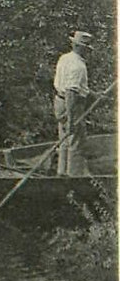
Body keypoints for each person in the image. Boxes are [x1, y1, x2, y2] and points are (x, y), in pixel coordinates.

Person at [53, 30, 94, 177]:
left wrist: (93, 94)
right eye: (86, 48)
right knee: (76, 142)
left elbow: (67, 86)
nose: (88, 52)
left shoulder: (65, 58)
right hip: (72, 105)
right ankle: (74, 178)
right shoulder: (78, 66)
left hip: (59, 101)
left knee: (64, 140)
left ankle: (62, 174)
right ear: (80, 47)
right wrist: (71, 119)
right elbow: (71, 93)